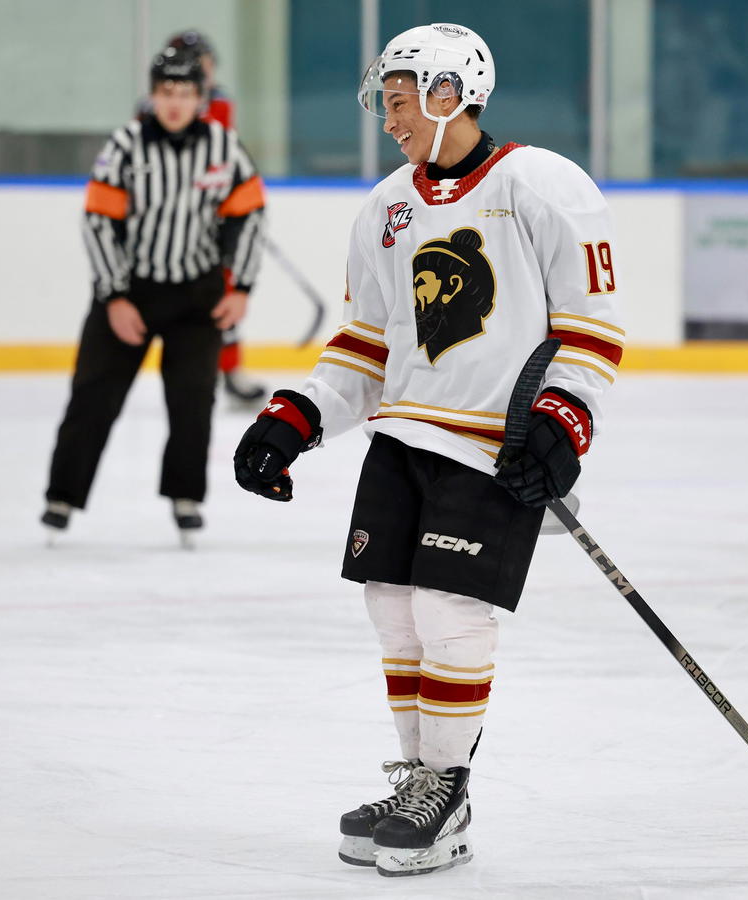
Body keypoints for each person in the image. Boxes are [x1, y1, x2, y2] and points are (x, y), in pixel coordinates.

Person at [232, 23, 623, 876]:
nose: (390, 118)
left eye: (402, 100)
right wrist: (294, 419)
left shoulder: (541, 184)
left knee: (450, 613)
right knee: (394, 607)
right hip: (402, 438)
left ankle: (447, 788)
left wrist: (564, 425)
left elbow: (591, 332)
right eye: (387, 102)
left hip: (491, 445)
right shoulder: (386, 206)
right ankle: (420, 778)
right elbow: (365, 348)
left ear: (452, 92)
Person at [41, 46, 265, 546]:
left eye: (185, 93)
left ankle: (185, 497)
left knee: (193, 401)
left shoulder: (224, 147)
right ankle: (62, 495)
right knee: (94, 395)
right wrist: (115, 297)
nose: (175, 103)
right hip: (130, 290)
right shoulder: (124, 145)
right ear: (152, 95)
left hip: (196, 294)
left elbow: (250, 217)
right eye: (166, 92)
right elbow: (98, 221)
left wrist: (242, 288)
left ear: (201, 98)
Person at [165, 29, 268, 405]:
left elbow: (223, 157)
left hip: (213, 219)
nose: (208, 70)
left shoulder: (219, 103)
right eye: (202, 61)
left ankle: (228, 370)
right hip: (166, 221)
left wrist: (238, 209)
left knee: (223, 292)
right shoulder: (156, 104)